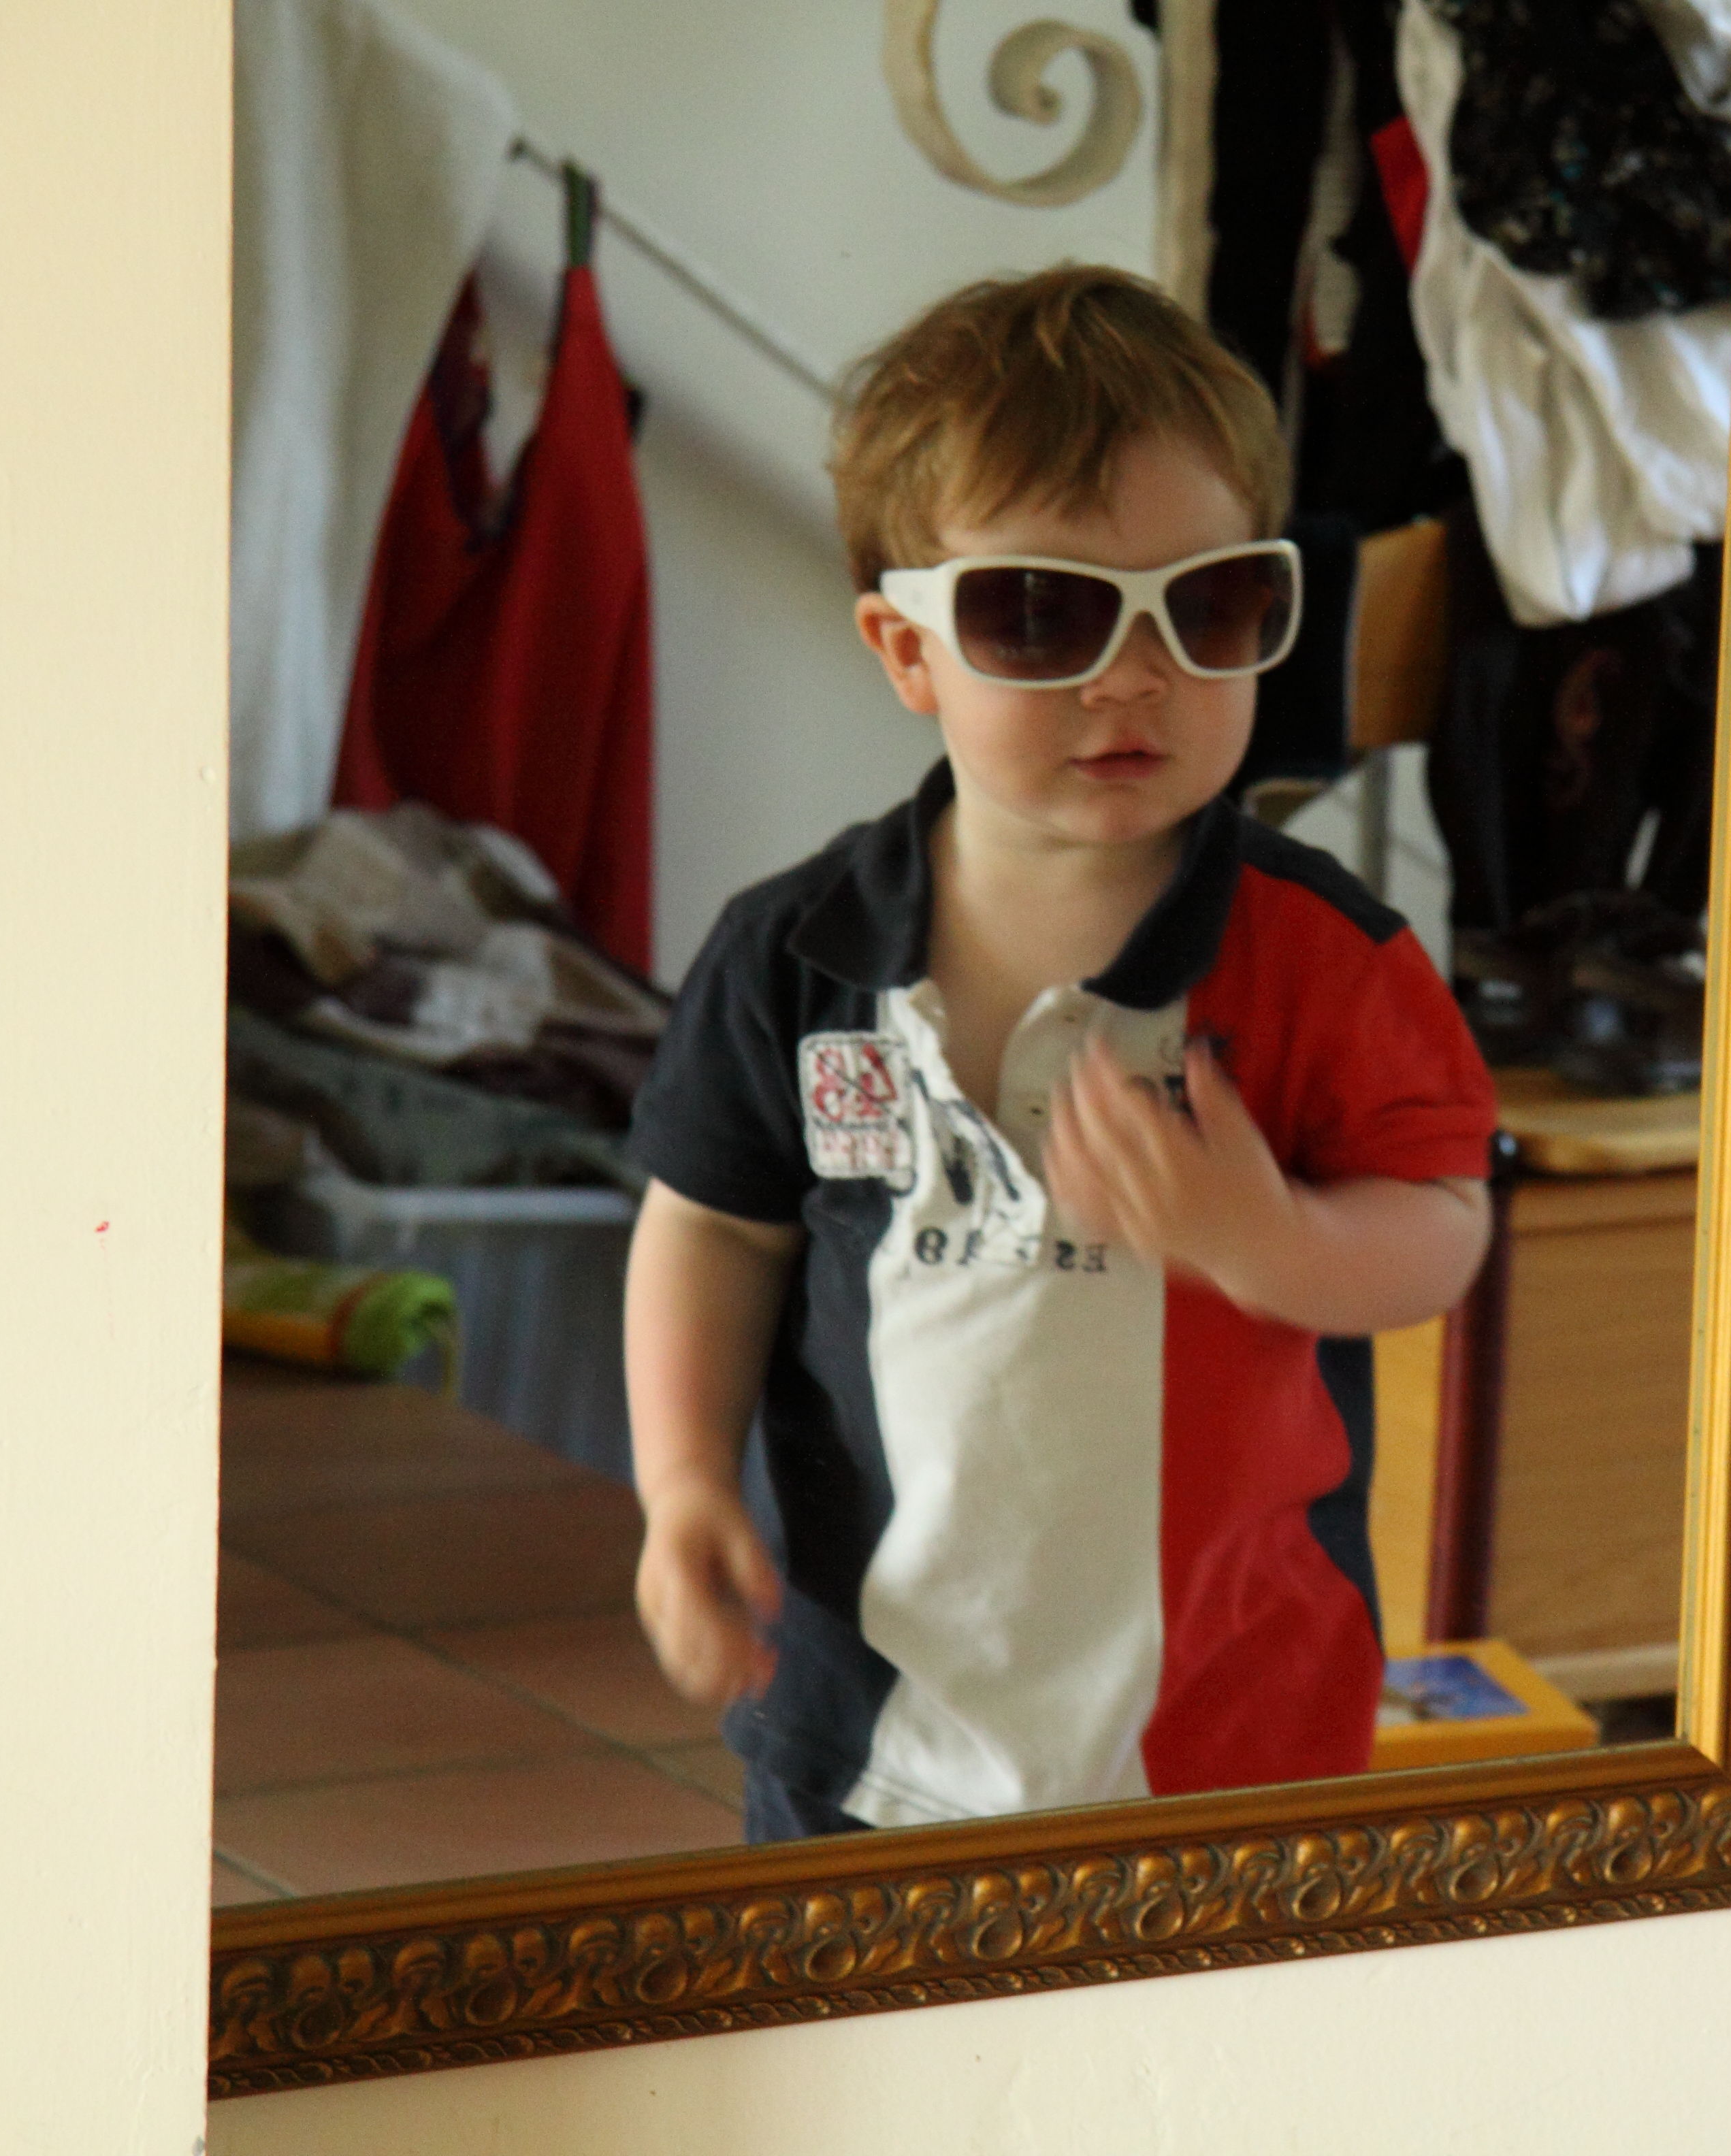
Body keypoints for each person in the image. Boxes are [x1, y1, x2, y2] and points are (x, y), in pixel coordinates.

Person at [623, 265, 1497, 1839]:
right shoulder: (793, 957)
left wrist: (1270, 1240)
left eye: (1207, 607)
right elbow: (712, 1231)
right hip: (869, 1735)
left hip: (1229, 1732)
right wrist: (680, 1484)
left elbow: (1444, 1225)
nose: (1134, 673)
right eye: (1041, 612)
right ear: (907, 651)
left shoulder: (1327, 958)